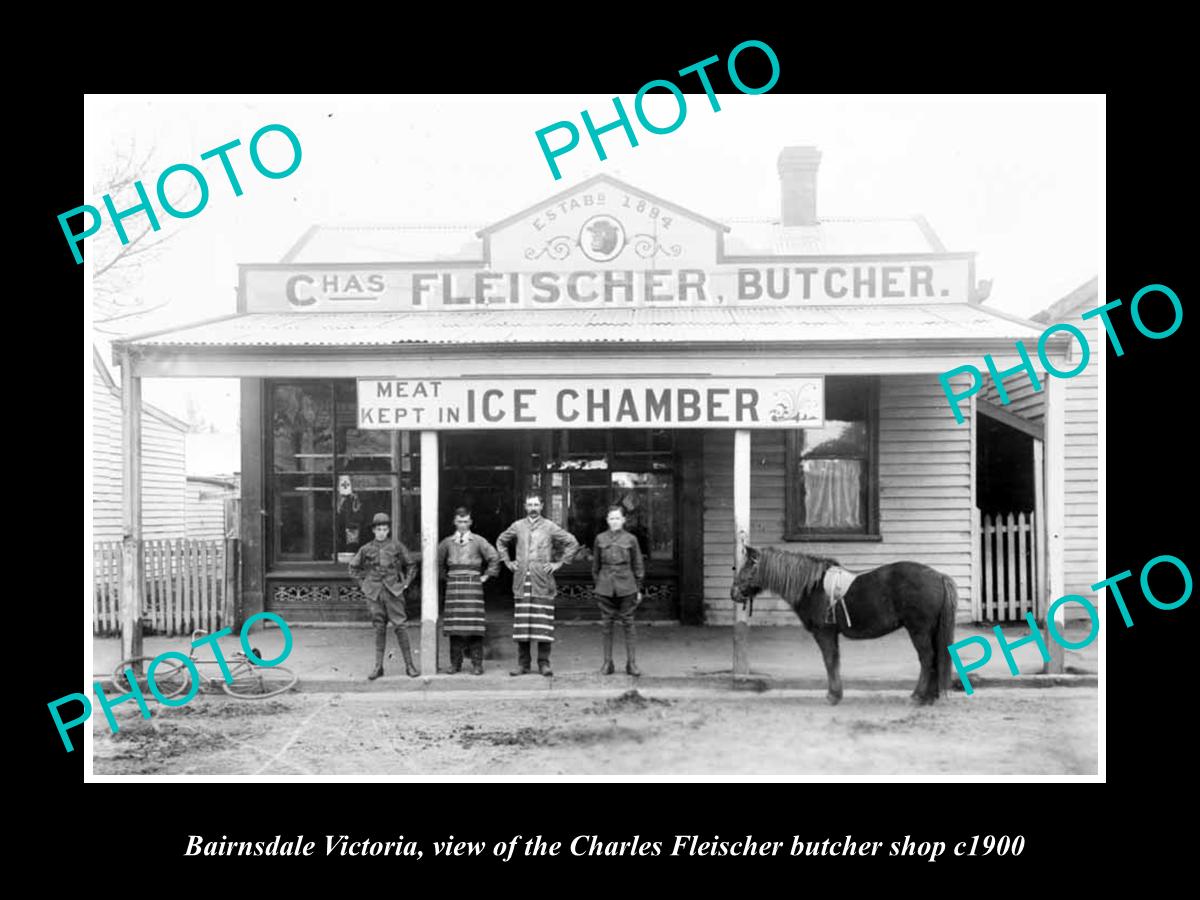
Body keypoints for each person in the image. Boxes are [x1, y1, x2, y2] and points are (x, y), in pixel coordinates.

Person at [496, 493, 579, 677]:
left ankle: (544, 663)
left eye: (536, 504)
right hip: (521, 579)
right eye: (529, 504)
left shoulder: (549, 526)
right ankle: (523, 664)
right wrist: (508, 562)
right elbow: (501, 541)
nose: (533, 507)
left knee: (543, 623)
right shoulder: (518, 526)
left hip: (542, 579)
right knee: (522, 623)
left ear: (541, 506)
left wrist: (559, 563)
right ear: (525, 506)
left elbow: (572, 542)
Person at [348, 512, 419, 679]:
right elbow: (353, 568)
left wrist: (406, 583)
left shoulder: (396, 546)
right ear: (373, 530)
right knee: (379, 628)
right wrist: (364, 585)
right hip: (374, 593)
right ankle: (378, 667)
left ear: (388, 530)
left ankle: (409, 666)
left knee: (400, 626)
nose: (381, 532)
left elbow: (411, 565)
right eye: (378, 529)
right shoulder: (366, 548)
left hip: (394, 592)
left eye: (384, 529)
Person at [436, 507, 500, 675]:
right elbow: (437, 562)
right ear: (454, 522)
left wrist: (486, 576)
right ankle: (455, 664)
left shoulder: (479, 541)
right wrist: (446, 577)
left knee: (474, 626)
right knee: (455, 628)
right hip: (454, 588)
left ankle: (477, 665)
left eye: (465, 522)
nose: (462, 525)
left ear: (470, 522)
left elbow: (494, 557)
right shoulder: (447, 542)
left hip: (473, 587)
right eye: (459, 521)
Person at [592, 504, 646, 676]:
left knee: (629, 624)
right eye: (611, 518)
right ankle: (607, 663)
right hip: (605, 587)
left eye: (617, 518)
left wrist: (638, 588)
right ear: (607, 520)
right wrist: (599, 585)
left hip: (626, 586)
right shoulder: (600, 539)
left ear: (623, 520)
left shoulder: (631, 539)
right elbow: (595, 566)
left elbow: (638, 564)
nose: (614, 521)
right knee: (606, 626)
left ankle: (632, 663)